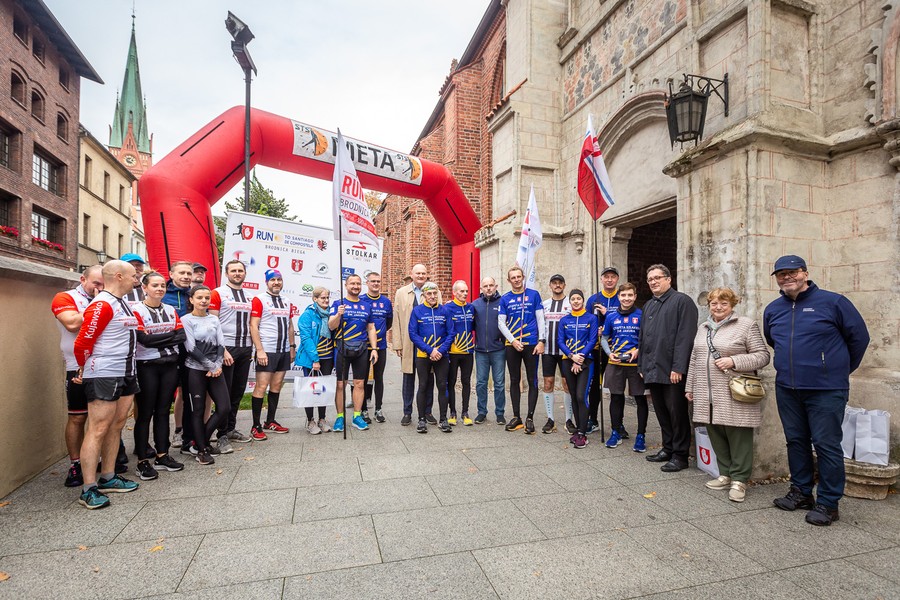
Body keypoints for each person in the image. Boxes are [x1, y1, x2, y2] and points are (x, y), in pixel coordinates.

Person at [764, 255, 869, 525]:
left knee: (826, 445)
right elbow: (773, 341)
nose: (786, 277)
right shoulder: (774, 309)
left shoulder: (834, 303)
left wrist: (835, 370)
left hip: (826, 389)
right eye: (781, 274)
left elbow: (859, 339)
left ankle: (828, 503)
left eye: (792, 272)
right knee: (796, 441)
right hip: (788, 387)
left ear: (805, 273)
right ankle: (801, 492)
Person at [686, 287, 770, 502]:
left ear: (732, 304)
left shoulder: (745, 325)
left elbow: (762, 356)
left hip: (734, 390)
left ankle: (740, 480)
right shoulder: (703, 327)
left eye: (724, 303)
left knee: (737, 434)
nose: (718, 307)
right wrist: (690, 387)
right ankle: (725, 473)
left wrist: (734, 361)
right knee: (715, 430)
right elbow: (695, 359)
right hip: (706, 391)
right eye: (714, 303)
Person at [73, 260, 142, 509]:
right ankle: (88, 488)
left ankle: (109, 476)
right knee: (98, 428)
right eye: (134, 276)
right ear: (119, 276)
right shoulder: (101, 304)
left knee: (117, 425)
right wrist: (83, 367)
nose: (137, 280)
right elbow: (82, 342)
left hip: (126, 371)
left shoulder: (122, 302)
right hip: (104, 373)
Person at [638, 264, 698, 473]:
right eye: (650, 279)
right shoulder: (649, 306)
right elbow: (643, 338)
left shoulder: (682, 302)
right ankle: (668, 447)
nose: (653, 282)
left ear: (669, 279)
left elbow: (685, 338)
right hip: (652, 368)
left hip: (672, 370)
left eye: (657, 278)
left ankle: (681, 455)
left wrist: (679, 368)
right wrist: (642, 365)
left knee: (677, 413)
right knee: (661, 411)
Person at [51, 265, 104, 487]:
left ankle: (97, 459)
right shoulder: (65, 297)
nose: (99, 288)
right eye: (96, 283)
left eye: (104, 284)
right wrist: (100, 305)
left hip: (105, 364)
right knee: (77, 417)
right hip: (77, 365)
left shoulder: (110, 298)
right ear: (83, 279)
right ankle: (75, 464)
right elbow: (72, 324)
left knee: (102, 419)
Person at [131, 272, 186, 479]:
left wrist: (160, 338)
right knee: (145, 413)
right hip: (147, 366)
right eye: (155, 285)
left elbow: (181, 336)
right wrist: (169, 336)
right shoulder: (136, 309)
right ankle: (143, 461)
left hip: (169, 365)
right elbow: (143, 339)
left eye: (163, 285)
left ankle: (163, 455)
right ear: (144, 288)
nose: (160, 289)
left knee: (163, 411)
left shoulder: (171, 310)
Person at [181, 285, 230, 465]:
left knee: (224, 407)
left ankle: (201, 439)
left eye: (207, 298)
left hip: (215, 369)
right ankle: (202, 450)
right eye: (199, 297)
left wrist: (217, 365)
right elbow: (191, 347)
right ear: (191, 299)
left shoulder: (214, 319)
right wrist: (210, 365)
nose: (203, 301)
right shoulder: (186, 320)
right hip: (195, 369)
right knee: (198, 410)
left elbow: (220, 343)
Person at [209, 260, 254, 447]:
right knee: (224, 394)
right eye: (233, 271)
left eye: (240, 270)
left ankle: (230, 428)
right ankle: (221, 435)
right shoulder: (218, 293)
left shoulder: (250, 295)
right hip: (227, 348)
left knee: (237, 392)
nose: (237, 273)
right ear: (227, 273)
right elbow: (212, 323)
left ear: (245, 273)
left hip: (245, 348)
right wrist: (223, 350)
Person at [600, 283, 648, 452]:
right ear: (618, 297)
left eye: (630, 295)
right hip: (616, 362)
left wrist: (638, 350)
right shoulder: (611, 316)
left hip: (636, 364)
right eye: (623, 295)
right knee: (616, 397)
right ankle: (616, 431)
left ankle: (641, 435)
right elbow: (604, 338)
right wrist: (608, 353)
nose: (626, 298)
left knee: (640, 399)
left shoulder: (642, 315)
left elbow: (648, 338)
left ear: (634, 296)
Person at [249, 269, 296, 439]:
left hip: (283, 350)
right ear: (267, 282)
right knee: (261, 387)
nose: (276, 282)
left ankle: (270, 421)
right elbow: (253, 326)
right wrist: (259, 350)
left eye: (279, 279)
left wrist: (292, 347)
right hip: (267, 350)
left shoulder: (286, 300)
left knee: (276, 386)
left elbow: (290, 325)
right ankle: (255, 426)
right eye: (273, 280)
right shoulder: (259, 299)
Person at [329, 274, 379, 432]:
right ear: (346, 285)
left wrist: (375, 349)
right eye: (352, 284)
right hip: (342, 348)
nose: (355, 286)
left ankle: (357, 416)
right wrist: (338, 314)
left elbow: (371, 328)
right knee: (340, 384)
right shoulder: (338, 304)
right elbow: (331, 326)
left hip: (362, 349)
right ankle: (340, 417)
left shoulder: (366, 306)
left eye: (358, 284)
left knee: (359, 383)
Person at [498, 266, 545, 434]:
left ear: (523, 277)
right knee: (514, 379)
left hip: (532, 343)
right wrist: (512, 340)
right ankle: (516, 416)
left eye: (519, 276)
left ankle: (530, 417)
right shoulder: (505, 298)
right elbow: (501, 323)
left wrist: (542, 341)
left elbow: (540, 319)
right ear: (509, 280)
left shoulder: (533, 295)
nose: (517, 279)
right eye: (513, 277)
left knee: (533, 380)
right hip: (513, 345)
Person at [392, 264, 440, 425]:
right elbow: (396, 319)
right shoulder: (401, 293)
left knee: (428, 378)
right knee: (408, 376)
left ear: (427, 275)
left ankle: (427, 411)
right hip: (408, 343)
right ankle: (407, 412)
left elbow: (439, 316)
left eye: (423, 273)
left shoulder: (434, 291)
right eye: (418, 273)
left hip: (429, 344)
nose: (420, 276)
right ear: (411, 274)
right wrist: (397, 343)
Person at [408, 282, 454, 433]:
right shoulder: (417, 311)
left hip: (442, 354)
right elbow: (413, 333)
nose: (433, 296)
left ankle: (443, 419)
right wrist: (430, 350)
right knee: (423, 385)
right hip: (423, 355)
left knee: (442, 386)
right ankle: (421, 420)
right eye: (429, 294)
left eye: (435, 293)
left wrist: (440, 350)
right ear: (424, 295)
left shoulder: (444, 310)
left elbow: (451, 333)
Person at [557, 289, 598, 449]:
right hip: (568, 361)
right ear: (570, 302)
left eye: (578, 298)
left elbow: (592, 338)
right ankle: (578, 430)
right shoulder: (564, 320)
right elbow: (560, 340)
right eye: (573, 299)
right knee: (573, 396)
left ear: (583, 300)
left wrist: (580, 357)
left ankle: (583, 432)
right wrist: (571, 356)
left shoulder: (591, 318)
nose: (575, 301)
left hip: (586, 361)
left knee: (582, 396)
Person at [294, 286, 334, 434]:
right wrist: (315, 359)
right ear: (315, 299)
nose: (325, 300)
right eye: (322, 298)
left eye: (327, 297)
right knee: (311, 390)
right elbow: (306, 338)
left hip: (328, 356)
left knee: (323, 389)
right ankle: (310, 421)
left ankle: (322, 419)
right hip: (312, 359)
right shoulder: (307, 315)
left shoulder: (331, 313)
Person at [586, 266, 620, 434]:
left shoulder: (622, 298)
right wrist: (595, 330)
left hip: (617, 348)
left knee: (616, 386)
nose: (609, 279)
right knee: (595, 386)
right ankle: (593, 419)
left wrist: (607, 316)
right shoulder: (593, 299)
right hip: (597, 349)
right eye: (606, 276)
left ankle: (618, 424)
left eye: (612, 277)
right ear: (601, 279)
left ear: (617, 279)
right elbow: (586, 321)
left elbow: (627, 321)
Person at [164, 261, 194, 449]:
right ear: (171, 274)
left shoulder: (194, 293)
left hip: (189, 350)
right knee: (166, 396)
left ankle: (184, 432)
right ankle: (173, 432)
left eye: (188, 273)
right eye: (181, 273)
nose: (185, 276)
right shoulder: (162, 293)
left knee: (185, 392)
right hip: (166, 350)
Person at [541, 274, 573, 434]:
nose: (557, 285)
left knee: (567, 385)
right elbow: (540, 326)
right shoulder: (544, 304)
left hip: (566, 352)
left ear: (564, 285)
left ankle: (569, 420)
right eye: (554, 283)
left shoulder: (571, 303)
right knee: (548, 384)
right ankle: (550, 419)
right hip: (548, 351)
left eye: (560, 282)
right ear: (550, 285)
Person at [472, 276, 506, 424]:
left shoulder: (502, 303)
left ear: (496, 286)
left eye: (491, 285)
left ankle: (500, 413)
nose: (488, 288)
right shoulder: (475, 305)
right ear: (481, 289)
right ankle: (481, 412)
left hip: (498, 349)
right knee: (481, 383)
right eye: (485, 286)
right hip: (480, 351)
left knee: (499, 383)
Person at [360, 272, 393, 424]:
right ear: (367, 283)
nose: (375, 284)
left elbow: (389, 322)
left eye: (378, 281)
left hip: (381, 346)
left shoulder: (386, 301)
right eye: (372, 281)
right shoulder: (361, 300)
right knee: (364, 378)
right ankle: (363, 409)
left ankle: (378, 409)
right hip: (363, 346)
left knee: (379, 378)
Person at [445, 280, 475, 425]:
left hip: (468, 351)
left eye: (466, 291)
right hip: (452, 352)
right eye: (462, 291)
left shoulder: (471, 308)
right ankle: (452, 412)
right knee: (451, 382)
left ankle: (465, 412)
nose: (465, 294)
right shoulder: (448, 308)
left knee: (466, 381)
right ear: (455, 293)